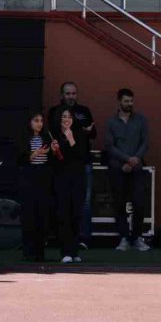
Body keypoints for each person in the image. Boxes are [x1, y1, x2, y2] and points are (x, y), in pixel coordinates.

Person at [47, 82, 95, 245]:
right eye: (68, 93)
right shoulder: (54, 111)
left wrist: (83, 132)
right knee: (61, 201)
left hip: (83, 162)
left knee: (84, 201)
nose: (71, 96)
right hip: (61, 164)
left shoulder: (84, 111)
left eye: (74, 93)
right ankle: (61, 238)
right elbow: (51, 131)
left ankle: (84, 238)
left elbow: (93, 133)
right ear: (62, 95)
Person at [105, 88, 150, 252]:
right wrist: (125, 160)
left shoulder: (141, 120)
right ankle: (123, 238)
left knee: (139, 203)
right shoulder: (111, 122)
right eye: (126, 101)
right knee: (119, 203)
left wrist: (134, 160)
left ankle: (137, 238)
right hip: (117, 168)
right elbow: (109, 146)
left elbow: (145, 142)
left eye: (131, 101)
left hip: (137, 167)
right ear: (119, 101)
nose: (129, 104)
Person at [50, 107, 87, 263]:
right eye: (64, 116)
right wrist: (54, 151)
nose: (66, 119)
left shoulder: (80, 134)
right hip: (62, 180)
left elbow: (83, 156)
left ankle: (75, 251)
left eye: (69, 116)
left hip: (78, 179)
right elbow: (56, 161)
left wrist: (71, 139)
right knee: (64, 214)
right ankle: (65, 251)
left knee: (76, 214)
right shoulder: (55, 136)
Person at [18, 111, 53, 262]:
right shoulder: (24, 138)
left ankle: (40, 251)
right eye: (36, 120)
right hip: (29, 177)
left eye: (41, 121)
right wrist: (38, 152)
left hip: (44, 176)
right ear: (29, 122)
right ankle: (28, 251)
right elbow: (22, 159)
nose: (39, 123)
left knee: (43, 213)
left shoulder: (46, 137)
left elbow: (52, 158)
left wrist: (53, 149)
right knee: (29, 214)